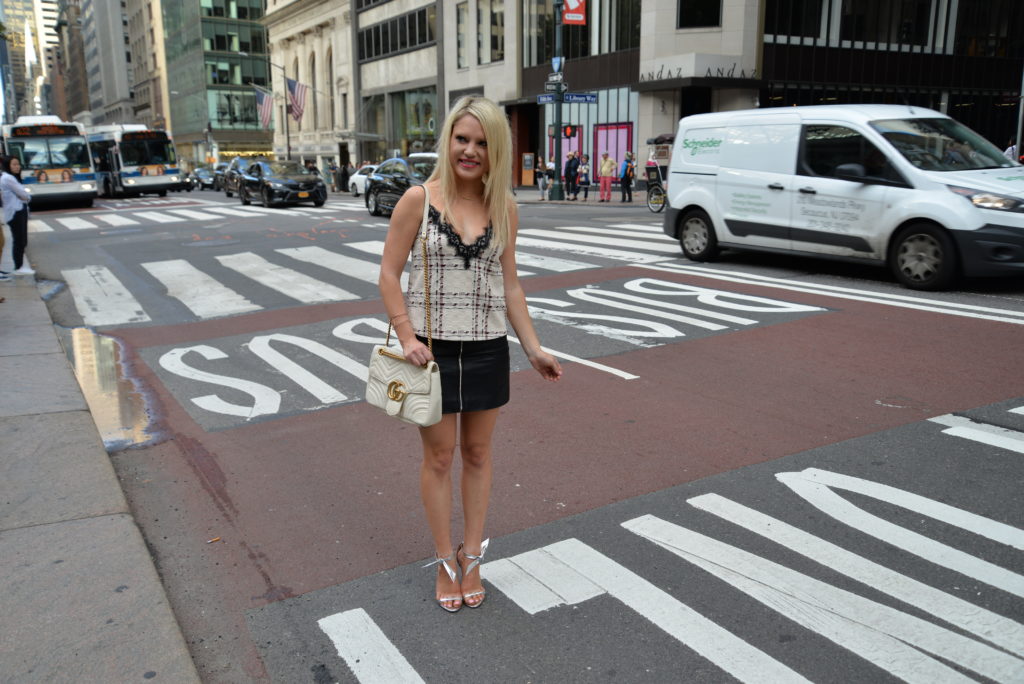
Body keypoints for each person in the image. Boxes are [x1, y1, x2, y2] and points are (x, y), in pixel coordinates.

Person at [378, 96, 563, 613]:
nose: (470, 150)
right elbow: (389, 273)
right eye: (462, 139)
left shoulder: (504, 206)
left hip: (486, 349)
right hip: (429, 354)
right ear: (448, 141)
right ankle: (443, 560)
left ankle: (473, 556)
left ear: (494, 149)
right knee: (438, 457)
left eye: (482, 143)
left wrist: (533, 348)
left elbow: (511, 287)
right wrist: (406, 335)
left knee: (478, 455)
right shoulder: (418, 199)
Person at [2, 156, 34, 275]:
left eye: (18, 164)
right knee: (19, 240)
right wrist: (27, 197)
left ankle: (20, 266)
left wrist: (25, 196)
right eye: (14, 164)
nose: (17, 166)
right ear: (7, 165)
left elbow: (23, 195)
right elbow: (24, 195)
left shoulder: (11, 178)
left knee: (21, 240)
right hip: (16, 212)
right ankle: (19, 267)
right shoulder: (8, 178)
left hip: (18, 211)